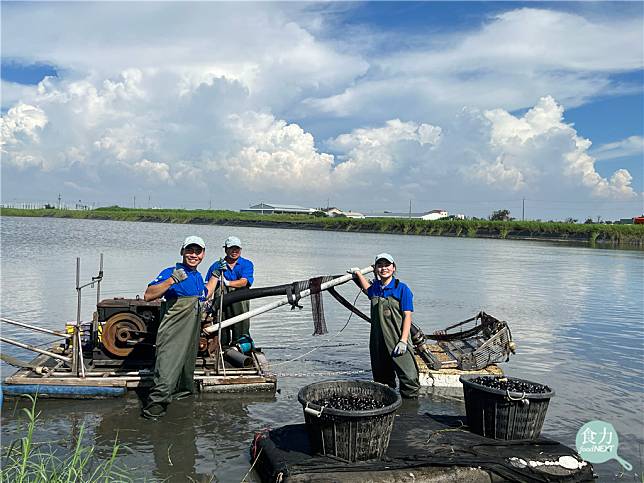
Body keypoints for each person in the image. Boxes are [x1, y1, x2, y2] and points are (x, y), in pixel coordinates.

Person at [141, 236, 208, 419]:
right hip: (172, 332)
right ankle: (152, 414)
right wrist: (171, 280)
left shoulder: (197, 276)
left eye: (197, 251)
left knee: (186, 371)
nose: (193, 255)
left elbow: (205, 294)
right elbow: (148, 295)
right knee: (166, 372)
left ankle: (179, 406)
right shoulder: (171, 271)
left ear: (203, 255)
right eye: (189, 250)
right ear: (182, 251)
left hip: (190, 333)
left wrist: (216, 275)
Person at [351, 253, 420, 398]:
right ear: (376, 269)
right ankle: (389, 408)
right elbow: (367, 291)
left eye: (387, 265)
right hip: (378, 341)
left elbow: (407, 316)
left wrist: (403, 340)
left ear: (393, 268)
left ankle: (411, 413)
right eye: (380, 265)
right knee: (382, 381)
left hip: (397, 339)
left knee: (409, 379)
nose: (384, 268)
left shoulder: (402, 289)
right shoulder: (376, 288)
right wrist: (358, 274)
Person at [205, 236, 254, 347]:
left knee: (241, 327)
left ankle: (240, 345)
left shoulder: (247, 264)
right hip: (221, 301)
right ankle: (223, 346)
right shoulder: (216, 265)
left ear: (240, 250)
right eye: (231, 248)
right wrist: (206, 302)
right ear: (226, 249)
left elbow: (244, 282)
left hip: (240, 303)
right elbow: (208, 285)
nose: (234, 251)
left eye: (237, 249)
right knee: (221, 328)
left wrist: (227, 283)